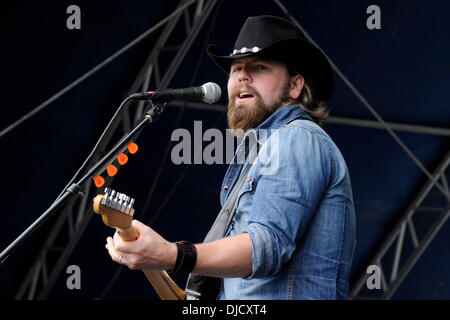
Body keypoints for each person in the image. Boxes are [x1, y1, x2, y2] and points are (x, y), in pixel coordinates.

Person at [105, 15, 356, 300]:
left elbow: (266, 247)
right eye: (236, 69)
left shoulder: (296, 138)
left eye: (259, 67)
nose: (242, 76)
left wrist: (172, 254)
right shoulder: (261, 151)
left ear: (295, 86)